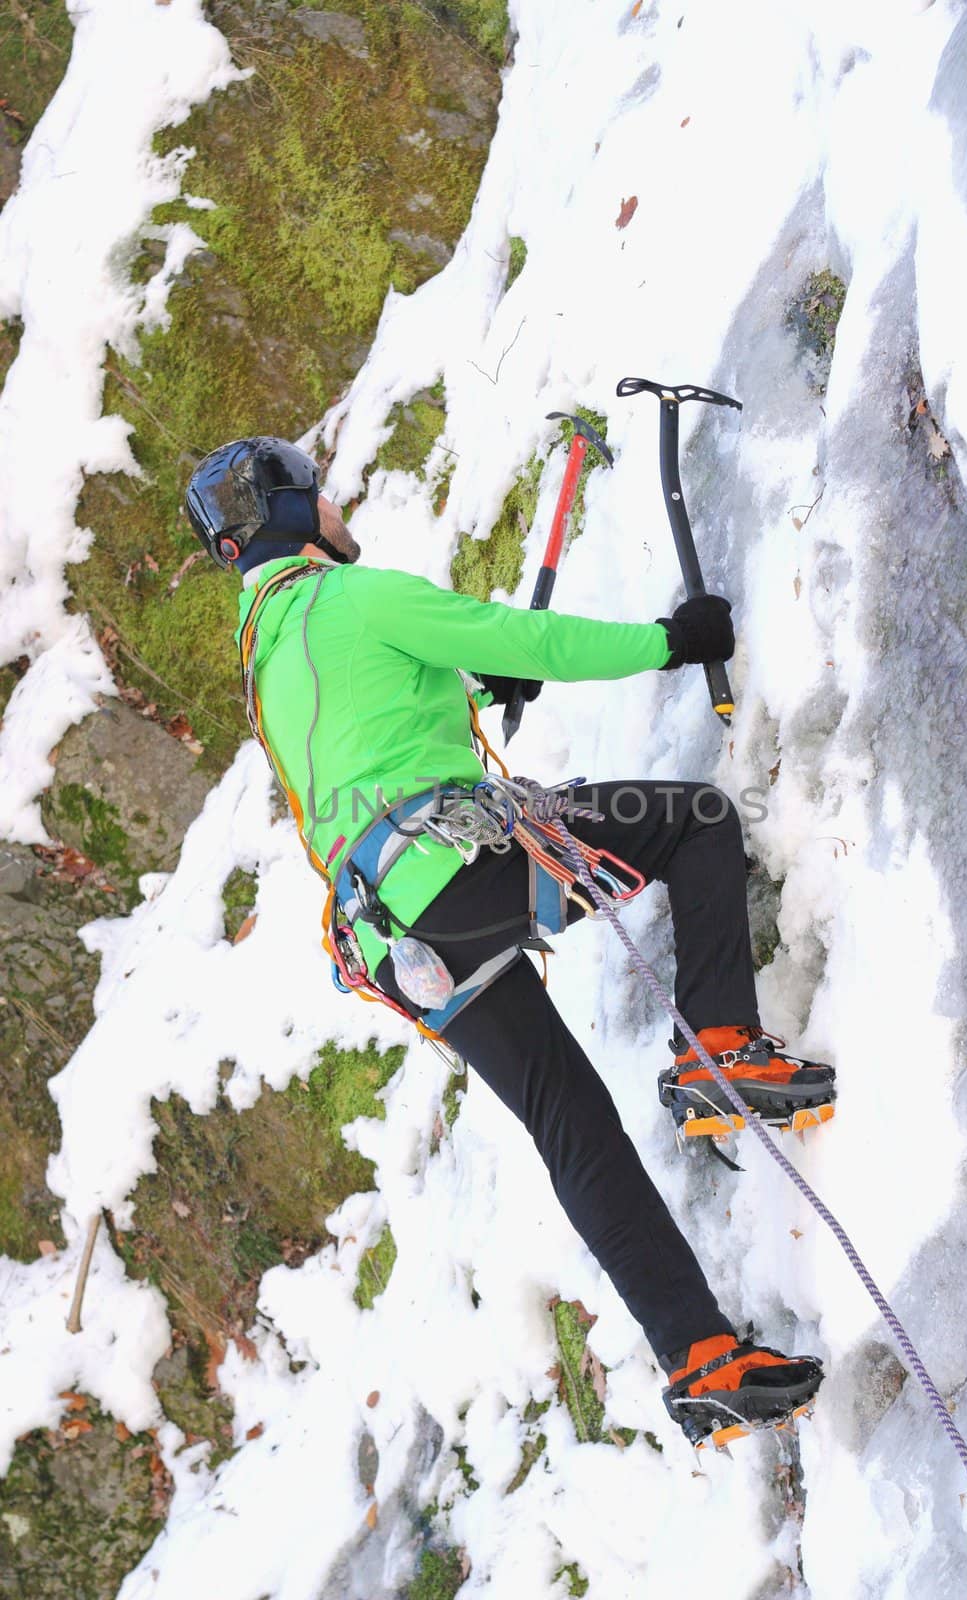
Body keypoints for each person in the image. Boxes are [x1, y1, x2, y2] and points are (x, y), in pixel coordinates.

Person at [184, 435, 836, 1450]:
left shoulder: (268, 656)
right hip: (452, 865)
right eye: (316, 493)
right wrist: (671, 638)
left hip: (396, 936)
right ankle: (719, 1048)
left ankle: (699, 1355)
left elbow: (378, 723)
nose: (332, 503)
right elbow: (524, 637)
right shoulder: (351, 600)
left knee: (567, 1117)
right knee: (696, 821)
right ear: (284, 511)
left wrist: (471, 693)